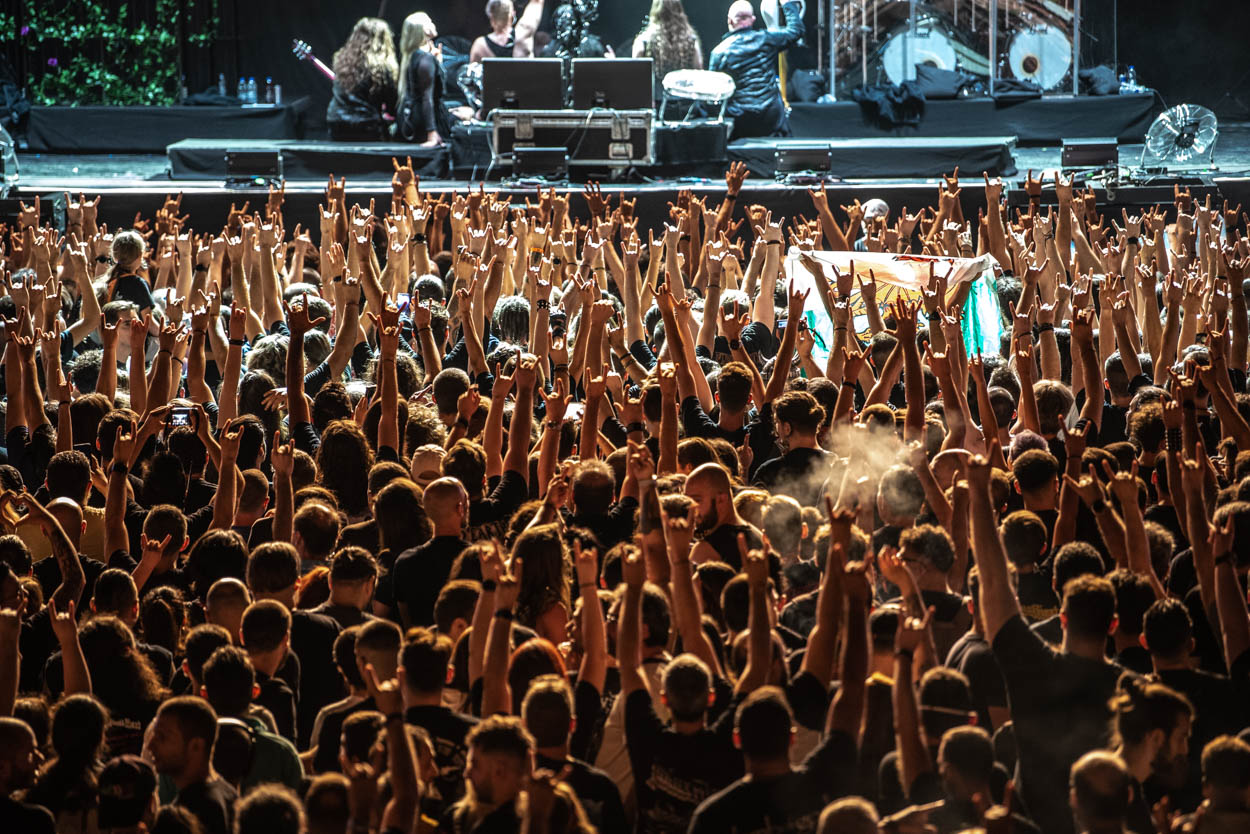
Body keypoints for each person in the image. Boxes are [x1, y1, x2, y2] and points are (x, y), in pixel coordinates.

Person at [709, 0, 805, 139]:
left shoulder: (719, 52)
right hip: (770, 117)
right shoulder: (766, 39)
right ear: (753, 20)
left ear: (730, 20)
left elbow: (713, 94)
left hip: (740, 119)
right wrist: (787, 4)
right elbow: (796, 31)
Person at [144, 696, 237, 834]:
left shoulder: (194, 813)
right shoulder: (228, 793)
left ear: (196, 746)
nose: (150, 745)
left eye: (162, 737)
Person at [327, 17, 399, 142]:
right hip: (366, 124)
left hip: (336, 120)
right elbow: (391, 104)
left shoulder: (341, 59)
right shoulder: (383, 66)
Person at [395, 12, 451, 147]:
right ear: (425, 29)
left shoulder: (415, 56)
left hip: (415, 117)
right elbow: (427, 97)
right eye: (430, 21)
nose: (433, 24)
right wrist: (431, 132)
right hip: (425, 121)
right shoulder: (425, 59)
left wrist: (437, 62)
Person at [632, 0, 703, 86]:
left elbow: (635, 72)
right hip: (684, 98)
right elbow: (698, 69)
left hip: (653, 98)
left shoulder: (643, 40)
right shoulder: (691, 41)